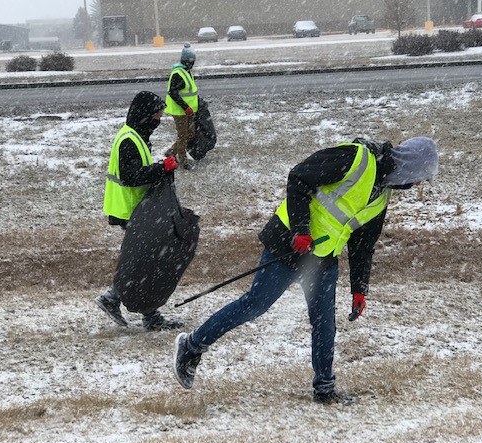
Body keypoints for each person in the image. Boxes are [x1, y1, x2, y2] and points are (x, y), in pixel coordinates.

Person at [173, 136, 439, 404]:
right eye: (419, 178)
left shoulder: (381, 197)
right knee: (254, 305)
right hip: (289, 246)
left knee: (324, 324)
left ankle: (324, 389)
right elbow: (299, 177)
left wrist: (360, 288)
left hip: (322, 259)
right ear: (411, 166)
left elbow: (363, 244)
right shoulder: (355, 158)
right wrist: (301, 229)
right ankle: (192, 345)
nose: (417, 185)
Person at [95, 90, 184, 331]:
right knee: (143, 264)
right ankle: (114, 299)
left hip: (136, 209)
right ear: (145, 115)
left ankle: (139, 311)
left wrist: (161, 167)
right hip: (130, 210)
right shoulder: (129, 140)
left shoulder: (136, 135)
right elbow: (131, 176)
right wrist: (161, 168)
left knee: (144, 262)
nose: (159, 119)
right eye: (156, 115)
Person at [164, 42, 198, 170]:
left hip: (187, 111)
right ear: (187, 60)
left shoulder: (186, 71)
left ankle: (171, 152)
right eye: (192, 60)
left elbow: (190, 91)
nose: (193, 63)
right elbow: (173, 93)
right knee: (183, 136)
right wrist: (185, 107)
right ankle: (183, 162)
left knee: (190, 134)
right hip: (180, 111)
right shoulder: (178, 74)